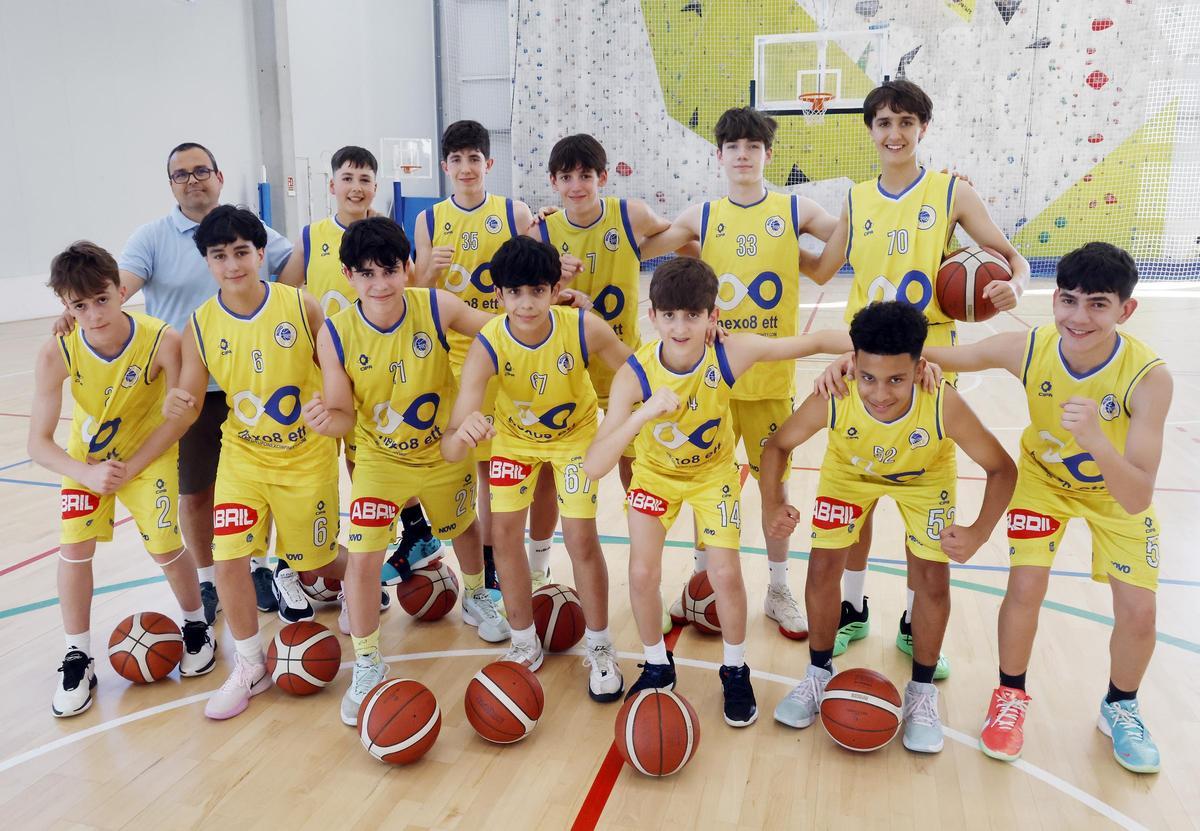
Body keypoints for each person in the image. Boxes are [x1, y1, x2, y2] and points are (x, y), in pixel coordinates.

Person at [801, 80, 1030, 673]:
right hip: (866, 361)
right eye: (883, 123)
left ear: (922, 128)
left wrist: (1015, 285)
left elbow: (1010, 256)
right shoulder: (855, 197)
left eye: (905, 122)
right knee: (859, 490)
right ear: (871, 131)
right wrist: (756, 248)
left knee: (919, 485)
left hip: (927, 364)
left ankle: (912, 618)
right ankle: (852, 608)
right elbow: (824, 267)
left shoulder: (951, 192)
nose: (894, 133)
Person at [920, 242, 1169, 773]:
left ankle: (1120, 706)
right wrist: (868, 349)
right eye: (1068, 300)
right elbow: (942, 355)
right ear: (1053, 299)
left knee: (1140, 612)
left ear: (1126, 310)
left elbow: (1137, 496)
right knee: (1025, 587)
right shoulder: (1028, 347)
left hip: (1114, 492)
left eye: (1098, 304)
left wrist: (1100, 442)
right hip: (1043, 481)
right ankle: (1010, 696)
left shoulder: (1148, 378)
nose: (1078, 316)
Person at [584, 257, 852, 727]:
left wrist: (871, 350)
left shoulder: (730, 352)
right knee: (643, 572)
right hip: (655, 476)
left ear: (713, 318)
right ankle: (657, 664)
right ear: (653, 316)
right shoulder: (636, 373)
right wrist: (643, 415)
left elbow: (809, 341)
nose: (680, 326)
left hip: (714, 477)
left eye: (692, 315)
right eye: (669, 316)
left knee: (726, 575)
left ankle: (735, 668)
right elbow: (593, 465)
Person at [54, 142, 295, 620]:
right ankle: (207, 581)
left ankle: (261, 568)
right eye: (181, 175)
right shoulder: (152, 237)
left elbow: (293, 266)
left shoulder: (247, 231)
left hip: (254, 385)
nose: (192, 180)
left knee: (260, 486)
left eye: (201, 170)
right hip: (189, 392)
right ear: (170, 185)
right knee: (196, 492)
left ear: (219, 176)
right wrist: (77, 306)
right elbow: (118, 287)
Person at [763, 300, 1015, 752]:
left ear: (921, 368)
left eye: (897, 379)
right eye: (869, 378)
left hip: (924, 479)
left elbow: (1002, 468)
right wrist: (770, 505)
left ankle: (921, 693)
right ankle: (817, 674)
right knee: (822, 570)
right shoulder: (835, 394)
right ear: (852, 364)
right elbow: (778, 445)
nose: (880, 393)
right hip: (849, 474)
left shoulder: (943, 403)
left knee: (932, 579)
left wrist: (978, 531)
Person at [639, 107, 840, 640]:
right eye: (733, 147)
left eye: (754, 146)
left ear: (767, 155)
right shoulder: (702, 215)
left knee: (774, 489)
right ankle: (703, 584)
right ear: (720, 155)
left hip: (768, 381)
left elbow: (848, 238)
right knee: (710, 485)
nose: (744, 155)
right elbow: (638, 244)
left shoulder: (795, 208)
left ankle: (777, 588)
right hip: (709, 382)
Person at [306, 217, 509, 724]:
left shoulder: (436, 306)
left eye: (390, 271)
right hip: (379, 460)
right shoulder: (335, 334)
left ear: (407, 268)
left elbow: (498, 334)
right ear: (349, 275)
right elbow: (344, 414)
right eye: (367, 274)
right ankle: (369, 660)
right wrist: (324, 421)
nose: (380, 284)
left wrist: (550, 315)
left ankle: (478, 595)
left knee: (463, 527)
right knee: (364, 558)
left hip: (443, 449)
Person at [29, 242, 216, 717]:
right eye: (79, 306)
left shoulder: (162, 340)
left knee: (164, 548)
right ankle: (77, 655)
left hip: (146, 458)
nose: (94, 314)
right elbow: (38, 443)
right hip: (86, 463)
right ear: (65, 306)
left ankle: (196, 624)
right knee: (74, 551)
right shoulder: (57, 351)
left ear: (121, 288)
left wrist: (131, 466)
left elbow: (179, 417)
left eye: (102, 299)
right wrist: (86, 473)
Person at [177, 206, 348, 720]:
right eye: (219, 256)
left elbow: (336, 374)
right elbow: (187, 395)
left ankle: (369, 572)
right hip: (244, 459)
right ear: (207, 262)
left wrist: (333, 409)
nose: (232, 265)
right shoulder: (200, 324)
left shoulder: (301, 306)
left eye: (241, 252)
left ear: (259, 254)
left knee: (315, 562)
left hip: (305, 458)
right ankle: (249, 664)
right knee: (228, 556)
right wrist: (173, 408)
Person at [442, 236, 630, 702]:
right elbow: (457, 425)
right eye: (514, 292)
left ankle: (601, 646)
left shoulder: (583, 327)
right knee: (504, 535)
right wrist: (463, 430)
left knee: (582, 537)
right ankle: (524, 642)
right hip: (515, 441)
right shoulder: (488, 342)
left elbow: (637, 370)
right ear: (499, 294)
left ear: (553, 290)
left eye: (537, 291)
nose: (526, 303)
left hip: (576, 439)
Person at [278, 146, 440, 584]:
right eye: (347, 178)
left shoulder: (390, 239)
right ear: (332, 185)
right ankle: (303, 551)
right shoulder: (312, 238)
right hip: (326, 372)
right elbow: (281, 296)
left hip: (387, 370)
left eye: (365, 179)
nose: (356, 187)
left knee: (373, 459)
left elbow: (417, 299)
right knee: (331, 465)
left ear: (375, 187)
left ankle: (399, 539)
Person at [413, 120, 558, 595]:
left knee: (509, 467)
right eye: (456, 159)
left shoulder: (514, 212)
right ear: (445, 166)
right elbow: (415, 295)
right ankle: (478, 562)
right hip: (451, 360)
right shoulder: (429, 220)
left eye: (474, 158)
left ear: (488, 164)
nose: (466, 167)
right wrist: (426, 271)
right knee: (468, 465)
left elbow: (540, 277)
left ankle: (517, 559)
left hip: (507, 354)